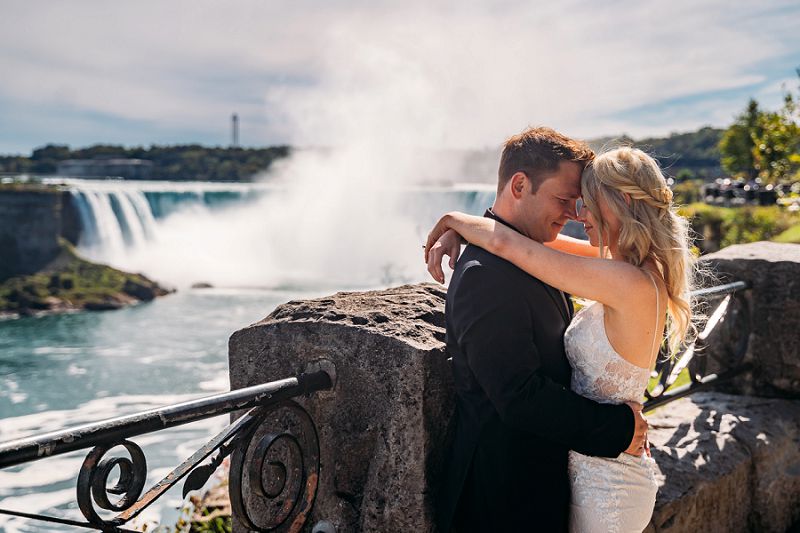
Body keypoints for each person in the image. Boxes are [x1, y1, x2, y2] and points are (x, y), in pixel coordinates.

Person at [425, 134, 694, 533]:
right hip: (503, 496)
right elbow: (518, 397)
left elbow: (510, 241)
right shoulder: (492, 274)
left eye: (584, 202)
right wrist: (459, 226)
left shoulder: (620, 277)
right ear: (519, 186)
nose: (575, 214)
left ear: (623, 205)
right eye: (566, 200)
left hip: (598, 483)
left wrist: (453, 220)